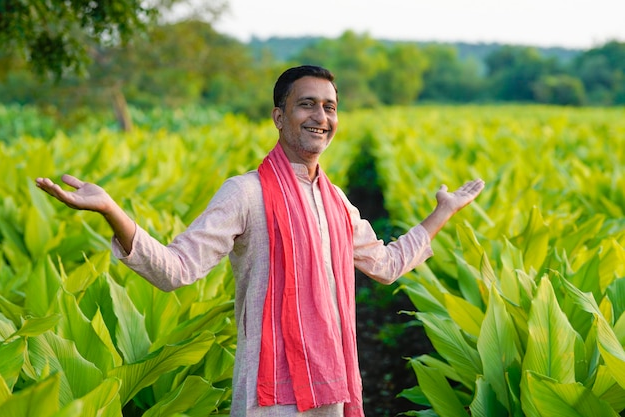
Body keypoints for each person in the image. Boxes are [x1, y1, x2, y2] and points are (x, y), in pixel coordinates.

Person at [36, 65, 485, 417]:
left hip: (333, 384)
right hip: (270, 390)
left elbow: (385, 266)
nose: (321, 117)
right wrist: (112, 210)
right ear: (279, 116)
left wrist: (441, 213)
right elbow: (175, 270)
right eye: (307, 104)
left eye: (330, 107)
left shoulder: (336, 203)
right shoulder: (245, 193)